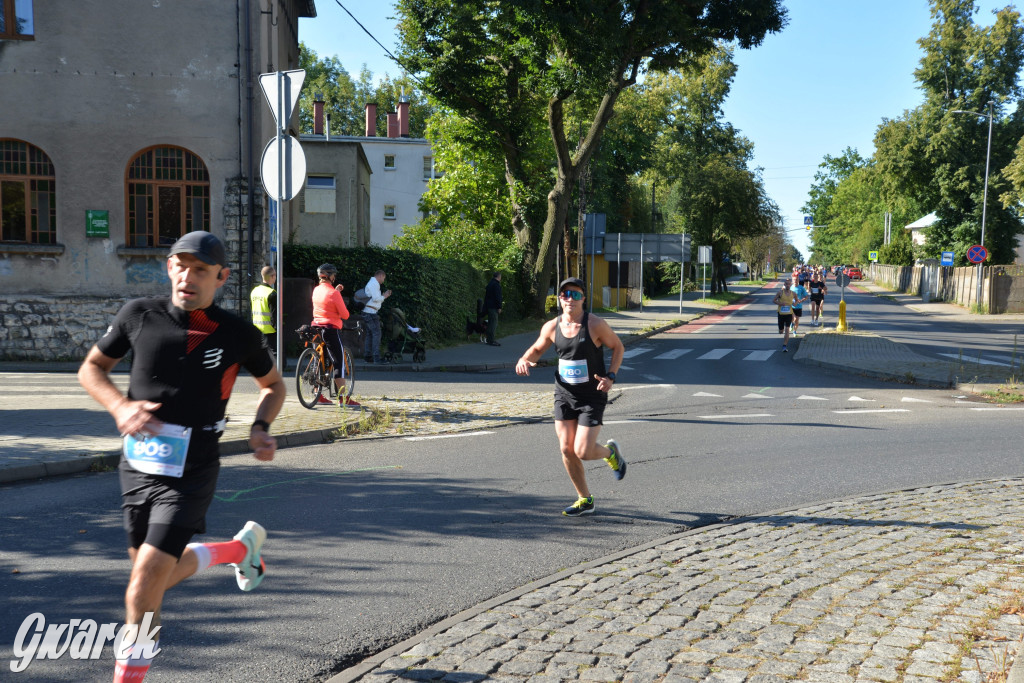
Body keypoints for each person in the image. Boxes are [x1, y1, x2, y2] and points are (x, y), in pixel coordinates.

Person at [77, 231, 286, 683]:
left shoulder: (236, 333)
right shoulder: (139, 315)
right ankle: (237, 550)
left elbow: (274, 386)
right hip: (137, 466)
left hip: (192, 468)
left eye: (200, 270)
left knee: (143, 586)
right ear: (169, 267)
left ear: (221, 277)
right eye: (180, 265)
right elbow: (91, 368)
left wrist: (260, 428)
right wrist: (120, 405)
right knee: (150, 580)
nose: (187, 277)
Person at [516, 277, 626, 517]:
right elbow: (536, 349)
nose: (570, 299)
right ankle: (585, 499)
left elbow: (618, 347)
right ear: (560, 299)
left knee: (583, 451)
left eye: (575, 295)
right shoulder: (552, 327)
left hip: (592, 396)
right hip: (564, 394)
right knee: (567, 449)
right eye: (565, 294)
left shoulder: (595, 324)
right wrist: (525, 359)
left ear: (583, 299)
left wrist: (611, 376)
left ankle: (611, 454)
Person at [312, 263, 360, 407]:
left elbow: (326, 302)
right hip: (330, 330)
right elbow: (345, 315)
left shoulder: (316, 290)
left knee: (318, 361)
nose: (335, 277)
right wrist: (337, 293)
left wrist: (336, 291)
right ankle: (343, 399)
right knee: (339, 362)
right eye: (334, 275)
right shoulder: (334, 293)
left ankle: (317, 394)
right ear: (330, 276)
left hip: (316, 328)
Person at [361, 269, 392, 364]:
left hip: (368, 312)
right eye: (384, 278)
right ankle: (376, 358)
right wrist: (385, 296)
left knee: (370, 334)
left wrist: (381, 297)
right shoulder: (374, 284)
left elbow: (375, 299)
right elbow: (376, 299)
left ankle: (368, 356)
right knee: (377, 333)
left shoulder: (373, 283)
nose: (383, 280)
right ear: (380, 276)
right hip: (370, 312)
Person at [250, 265, 277, 354]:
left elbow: (252, 311)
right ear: (272, 276)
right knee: (276, 358)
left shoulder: (254, 291)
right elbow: (274, 315)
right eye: (275, 276)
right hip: (270, 332)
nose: (275, 278)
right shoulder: (271, 293)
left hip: (257, 330)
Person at [773, 278, 795, 352]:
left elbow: (796, 301)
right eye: (786, 284)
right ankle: (780, 329)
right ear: (784, 285)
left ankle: (784, 346)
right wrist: (780, 304)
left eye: (789, 284)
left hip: (789, 314)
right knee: (781, 331)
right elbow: (774, 300)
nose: (788, 285)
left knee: (787, 330)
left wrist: (796, 303)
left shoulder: (793, 293)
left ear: (791, 285)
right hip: (781, 314)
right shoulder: (780, 292)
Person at [483, 272, 503, 346]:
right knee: (493, 323)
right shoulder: (496, 285)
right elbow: (498, 297)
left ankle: (488, 338)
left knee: (490, 322)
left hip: (488, 306)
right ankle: (491, 340)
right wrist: (499, 307)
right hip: (494, 307)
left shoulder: (490, 284)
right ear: (499, 276)